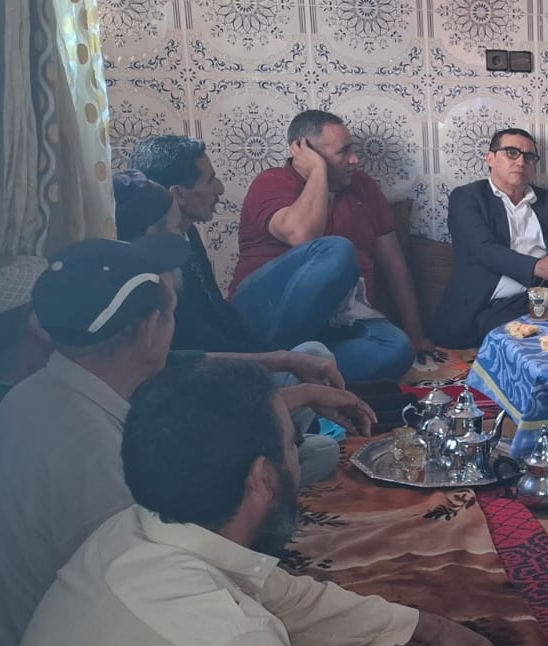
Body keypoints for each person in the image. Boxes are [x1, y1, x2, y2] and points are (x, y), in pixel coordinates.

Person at [0, 359, 501, 646]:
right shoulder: (211, 637)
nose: (297, 460)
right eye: (291, 447)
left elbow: (292, 601)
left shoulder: (132, 532)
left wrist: (431, 628)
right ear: (262, 477)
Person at [0, 239, 376, 646]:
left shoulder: (42, 393)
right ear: (151, 327)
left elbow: (189, 403)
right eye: (172, 315)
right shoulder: (89, 450)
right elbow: (165, 596)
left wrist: (295, 391)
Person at [110, 166, 348, 493]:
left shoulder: (174, 256)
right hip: (188, 441)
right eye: (173, 226)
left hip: (204, 397)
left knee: (312, 374)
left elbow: (182, 358)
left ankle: (277, 442)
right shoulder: (136, 299)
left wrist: (282, 360)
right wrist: (297, 394)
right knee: (312, 452)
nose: (219, 188)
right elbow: (190, 401)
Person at [232, 109, 432, 381]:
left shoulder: (362, 186)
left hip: (339, 320)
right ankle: (273, 360)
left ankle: (291, 372)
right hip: (267, 315)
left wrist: (415, 333)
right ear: (306, 151)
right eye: (343, 152)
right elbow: (302, 235)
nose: (355, 159)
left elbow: (394, 263)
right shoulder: (271, 182)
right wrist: (318, 172)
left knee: (396, 348)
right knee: (337, 249)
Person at [431, 127, 548, 349]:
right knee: (523, 344)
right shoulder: (466, 198)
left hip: (546, 296)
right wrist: (537, 267)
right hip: (489, 304)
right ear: (490, 158)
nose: (521, 162)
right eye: (512, 153)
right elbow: (484, 249)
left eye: (529, 157)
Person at [128, 134, 270, 354]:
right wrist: (271, 360)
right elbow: (193, 342)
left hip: (231, 348)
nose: (219, 189)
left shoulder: (188, 232)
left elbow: (216, 308)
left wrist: (271, 352)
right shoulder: (151, 258)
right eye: (210, 180)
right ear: (179, 194)